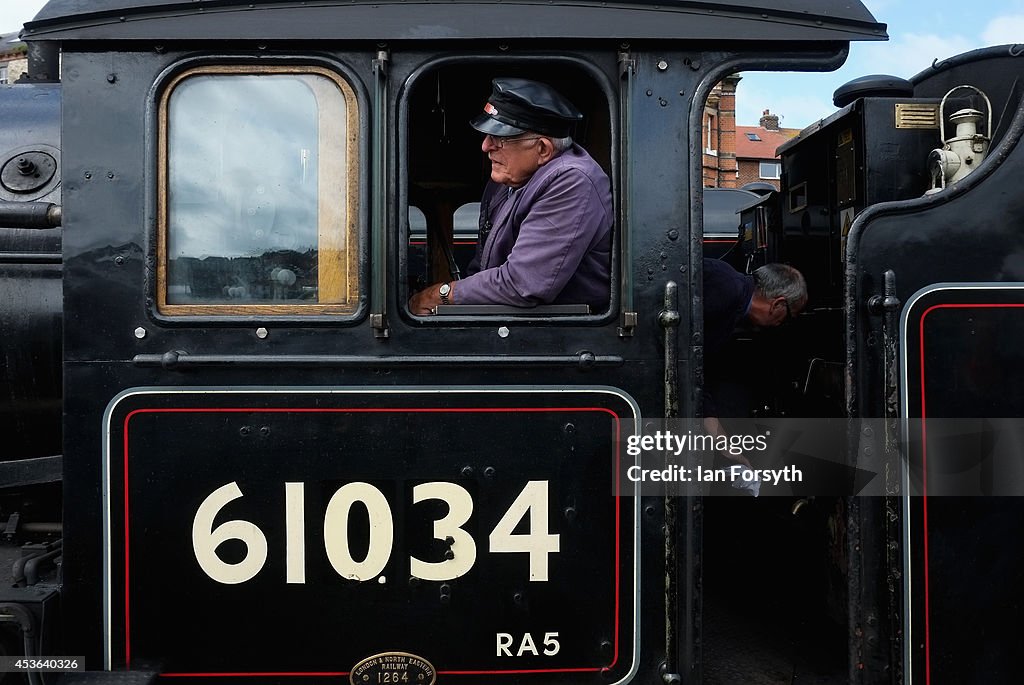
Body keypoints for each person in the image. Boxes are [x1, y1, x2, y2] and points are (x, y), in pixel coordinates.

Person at [408, 78, 613, 315]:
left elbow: (524, 284)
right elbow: (482, 270)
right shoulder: (504, 183)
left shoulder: (572, 181)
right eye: (487, 135)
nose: (486, 146)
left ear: (543, 149)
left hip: (563, 338)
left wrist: (440, 295)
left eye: (500, 138)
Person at [702, 258, 807, 468]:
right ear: (777, 304)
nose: (781, 325)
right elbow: (682, 360)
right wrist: (723, 443)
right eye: (788, 318)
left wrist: (723, 443)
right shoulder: (724, 290)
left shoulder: (730, 293)